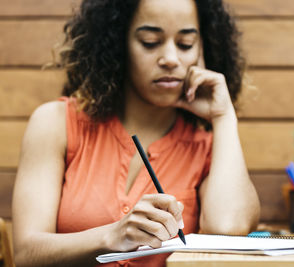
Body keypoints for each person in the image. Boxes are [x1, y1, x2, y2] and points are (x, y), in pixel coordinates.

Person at [12, 0, 260, 266]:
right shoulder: (56, 123)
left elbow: (228, 226)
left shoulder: (209, 148)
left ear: (202, 48)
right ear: (118, 45)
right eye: (150, 42)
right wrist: (111, 235)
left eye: (186, 44)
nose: (171, 59)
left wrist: (223, 117)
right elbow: (27, 254)